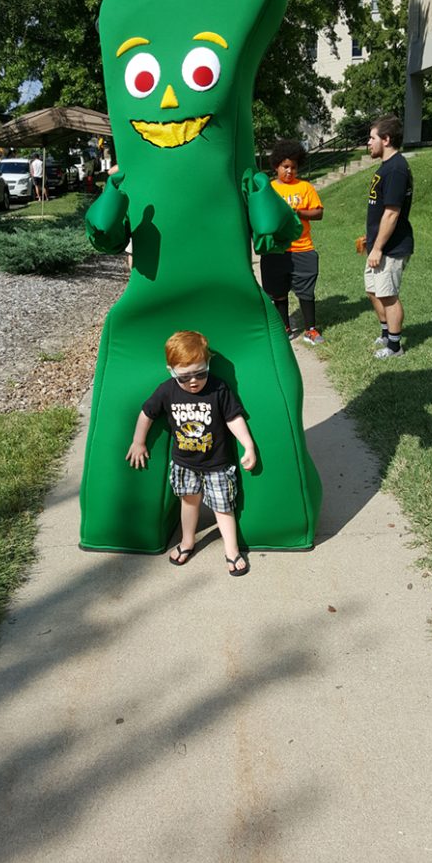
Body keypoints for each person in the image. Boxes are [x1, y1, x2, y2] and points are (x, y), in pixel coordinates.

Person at [126, 330, 256, 577]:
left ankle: (232, 550)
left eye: (200, 373)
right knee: (189, 502)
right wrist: (138, 442)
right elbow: (147, 414)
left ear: (208, 365)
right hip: (185, 463)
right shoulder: (167, 391)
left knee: (223, 507)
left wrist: (248, 445)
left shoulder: (218, 388)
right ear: (171, 371)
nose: (193, 381)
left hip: (217, 463)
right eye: (184, 377)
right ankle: (187, 542)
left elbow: (233, 418)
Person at [260, 139, 324, 344]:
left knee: (306, 291)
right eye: (285, 166)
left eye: (293, 167)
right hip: (276, 250)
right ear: (276, 166)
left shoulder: (305, 187)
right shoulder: (268, 190)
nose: (289, 171)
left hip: (302, 248)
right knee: (278, 293)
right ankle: (285, 327)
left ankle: (310, 330)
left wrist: (298, 212)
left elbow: (319, 212)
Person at [364, 114, 414, 359]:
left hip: (391, 247)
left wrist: (378, 247)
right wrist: (370, 238)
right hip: (378, 243)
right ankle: (386, 334)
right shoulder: (387, 167)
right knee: (373, 291)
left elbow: (392, 214)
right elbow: (379, 209)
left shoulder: (396, 169)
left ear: (386, 139)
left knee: (388, 295)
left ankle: (395, 347)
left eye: (372, 138)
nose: (368, 143)